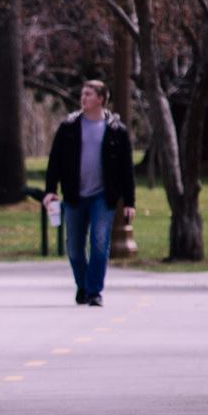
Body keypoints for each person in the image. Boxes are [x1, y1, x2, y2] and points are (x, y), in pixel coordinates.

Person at [42, 80, 135, 308]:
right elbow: (55, 161)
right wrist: (50, 191)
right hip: (74, 194)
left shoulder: (116, 130)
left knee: (99, 242)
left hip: (102, 197)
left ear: (101, 99)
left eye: (88, 94)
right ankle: (82, 285)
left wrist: (129, 202)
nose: (83, 98)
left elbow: (126, 169)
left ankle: (94, 291)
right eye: (82, 94)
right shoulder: (69, 127)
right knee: (74, 247)